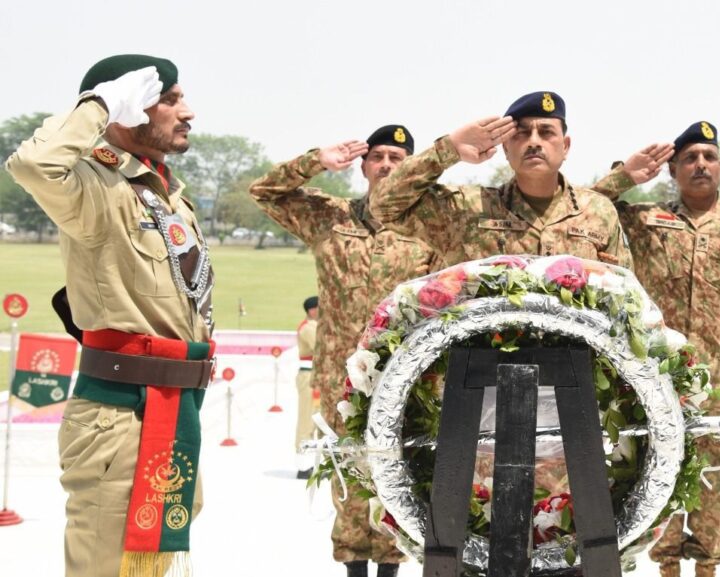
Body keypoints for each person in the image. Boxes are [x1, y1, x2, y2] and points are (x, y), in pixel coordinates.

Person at [6, 54, 214, 577]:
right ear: (126, 109)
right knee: (107, 564)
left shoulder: (163, 193)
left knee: (151, 562)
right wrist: (98, 103)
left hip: (173, 405)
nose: (187, 112)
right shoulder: (95, 187)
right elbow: (33, 165)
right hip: (118, 415)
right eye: (170, 99)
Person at [249, 125, 437, 577]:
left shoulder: (432, 223)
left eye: (398, 157)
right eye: (378, 157)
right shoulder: (330, 217)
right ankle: (353, 566)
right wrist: (317, 160)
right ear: (363, 166)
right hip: (342, 377)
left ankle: (391, 564)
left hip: (405, 376)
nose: (387, 165)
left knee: (398, 473)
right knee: (347, 475)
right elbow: (265, 192)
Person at [594, 121, 720, 577]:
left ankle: (708, 567)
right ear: (672, 169)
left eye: (709, 157)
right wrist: (628, 173)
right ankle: (666, 566)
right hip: (657, 377)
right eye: (690, 158)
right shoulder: (644, 220)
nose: (700, 165)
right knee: (655, 473)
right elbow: (587, 207)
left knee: (714, 479)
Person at [371, 91, 654, 268]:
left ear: (565, 146)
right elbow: (385, 206)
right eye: (521, 133)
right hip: (484, 361)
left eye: (546, 132)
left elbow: (623, 293)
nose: (534, 142)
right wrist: (449, 149)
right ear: (506, 147)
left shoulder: (599, 212)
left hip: (574, 362)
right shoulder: (468, 209)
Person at [294, 296, 319, 479]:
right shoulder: (308, 328)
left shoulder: (315, 326)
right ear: (312, 310)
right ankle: (304, 465)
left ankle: (318, 464)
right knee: (307, 420)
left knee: (320, 420)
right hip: (309, 375)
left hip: (317, 375)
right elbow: (320, 347)